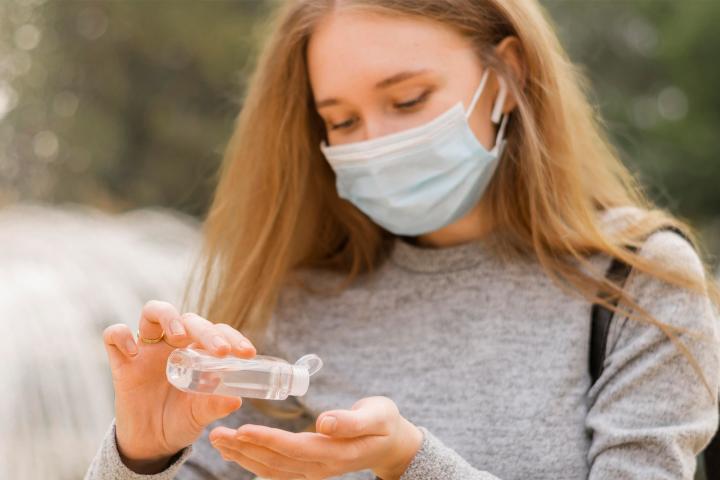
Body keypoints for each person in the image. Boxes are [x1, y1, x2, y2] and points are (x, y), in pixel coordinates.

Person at [84, 1, 720, 479]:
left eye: (409, 100)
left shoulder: (636, 283)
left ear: (507, 74)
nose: (375, 145)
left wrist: (412, 463)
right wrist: (142, 452)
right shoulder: (294, 298)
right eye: (342, 120)